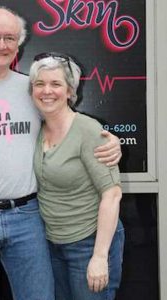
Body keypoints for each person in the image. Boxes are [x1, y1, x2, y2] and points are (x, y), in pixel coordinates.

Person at [0, 6, 121, 300]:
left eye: (9, 38)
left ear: (19, 44)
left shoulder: (32, 90)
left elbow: (67, 124)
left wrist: (110, 142)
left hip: (26, 217)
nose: (0, 45)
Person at [29, 52, 125, 300]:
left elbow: (112, 194)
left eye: (56, 84)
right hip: (52, 244)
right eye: (39, 84)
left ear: (70, 91)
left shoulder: (87, 130)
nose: (46, 91)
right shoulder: (35, 130)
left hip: (89, 243)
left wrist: (100, 256)